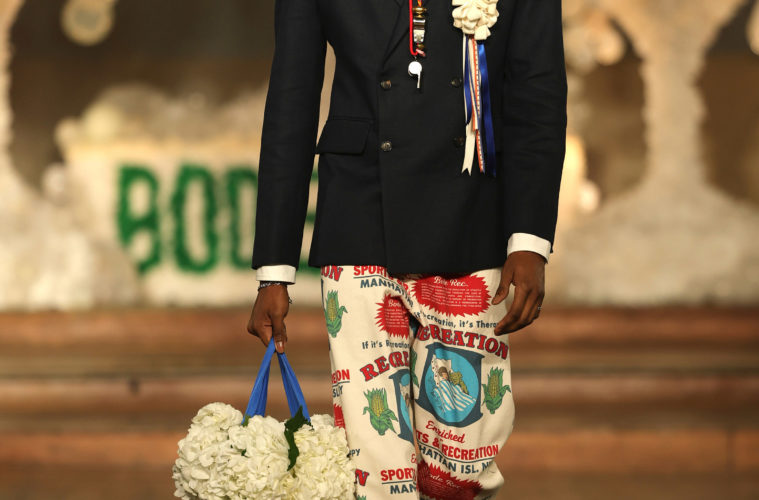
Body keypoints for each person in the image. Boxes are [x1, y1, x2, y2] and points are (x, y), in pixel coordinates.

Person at [247, 0, 567, 497]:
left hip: (471, 220)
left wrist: (529, 240)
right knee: (373, 465)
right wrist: (274, 269)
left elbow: (537, 93)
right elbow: (292, 99)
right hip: (359, 214)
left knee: (460, 469)